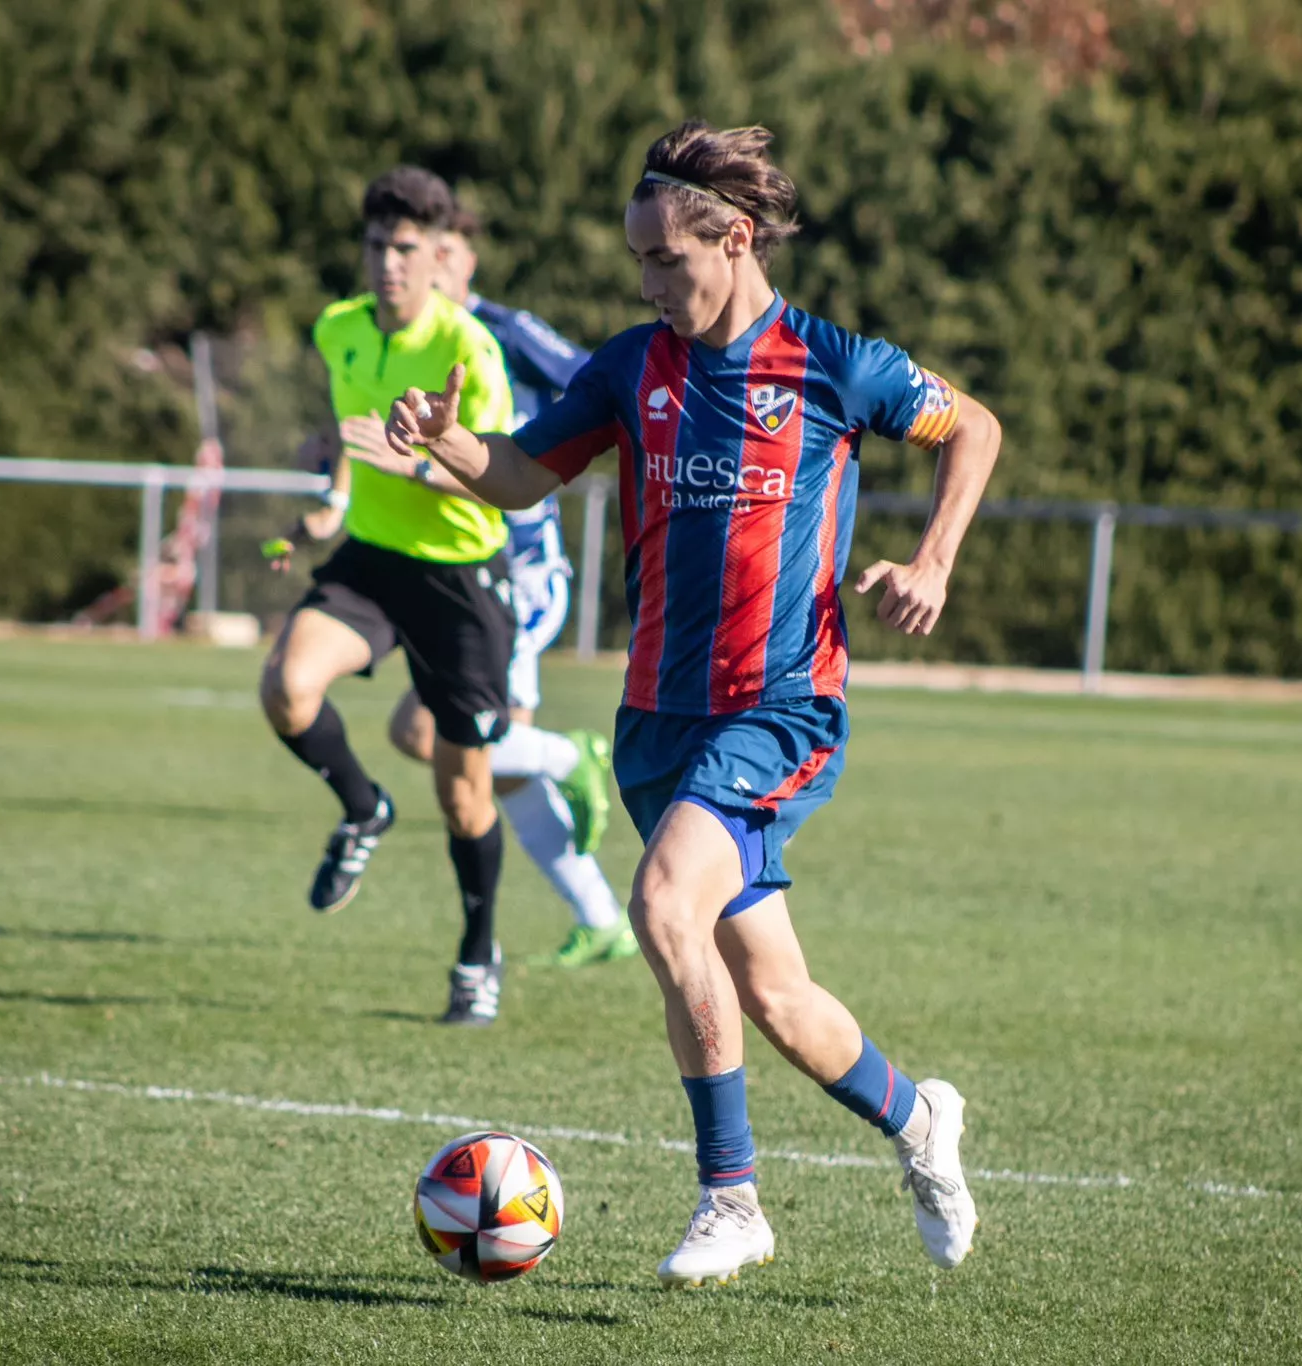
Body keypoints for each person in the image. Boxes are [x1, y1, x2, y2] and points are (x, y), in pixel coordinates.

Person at [383, 122, 1003, 1283]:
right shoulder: (628, 368)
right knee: (771, 993)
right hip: (654, 723)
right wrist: (451, 443)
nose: (647, 282)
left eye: (665, 259)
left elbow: (974, 425)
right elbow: (523, 472)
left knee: (663, 906)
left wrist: (933, 560)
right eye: (636, 262)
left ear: (734, 238)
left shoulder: (831, 363)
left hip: (780, 709)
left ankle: (732, 1200)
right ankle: (922, 1122)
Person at [258, 165, 517, 1026]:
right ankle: (363, 808)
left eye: (407, 249)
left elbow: (501, 483)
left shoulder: (468, 351)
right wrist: (332, 500)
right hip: (373, 557)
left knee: (462, 796)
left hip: (460, 580)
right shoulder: (338, 330)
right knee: (287, 689)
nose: (389, 264)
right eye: (377, 246)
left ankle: (478, 953)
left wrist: (411, 461)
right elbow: (348, 433)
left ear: (440, 253)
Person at [347, 210, 637, 969]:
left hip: (519, 574)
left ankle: (567, 757)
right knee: (491, 769)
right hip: (464, 573)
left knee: (427, 733)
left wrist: (535, 448)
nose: (422, 266)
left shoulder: (500, 331)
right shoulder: (411, 337)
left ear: (467, 259)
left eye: (439, 251)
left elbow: (598, 381)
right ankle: (602, 916)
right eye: (411, 250)